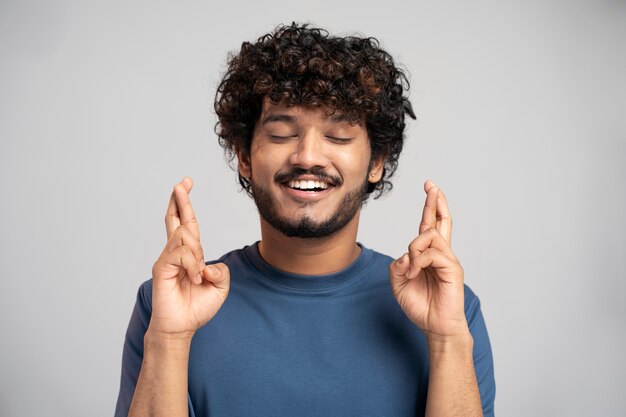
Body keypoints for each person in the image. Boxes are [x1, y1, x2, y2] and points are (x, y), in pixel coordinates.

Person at [114, 23, 495, 417]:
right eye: (281, 134)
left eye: (339, 136)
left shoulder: (449, 309)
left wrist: (448, 339)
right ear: (244, 157)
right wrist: (169, 338)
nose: (308, 156)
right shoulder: (168, 303)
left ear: (376, 162)